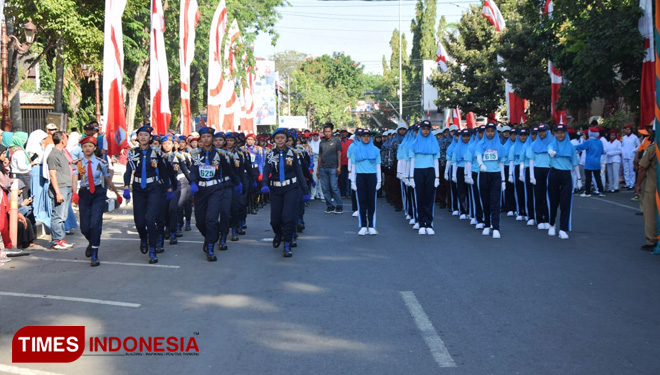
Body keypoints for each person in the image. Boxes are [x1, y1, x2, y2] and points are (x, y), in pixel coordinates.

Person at [123, 125, 172, 264]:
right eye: (140, 135)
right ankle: (143, 238)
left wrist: (167, 188)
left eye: (146, 135)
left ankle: (152, 249)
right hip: (138, 188)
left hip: (154, 187)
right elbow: (128, 171)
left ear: (150, 138)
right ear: (137, 138)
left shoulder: (157, 152)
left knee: (151, 219)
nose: (143, 137)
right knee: (139, 221)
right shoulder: (132, 153)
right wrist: (126, 186)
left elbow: (163, 171)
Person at [189, 127, 239, 260]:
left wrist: (237, 183)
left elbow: (229, 170)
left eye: (209, 137)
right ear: (200, 139)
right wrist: (193, 182)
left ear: (212, 139)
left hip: (216, 189)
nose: (206, 139)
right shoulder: (195, 155)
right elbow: (193, 170)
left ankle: (210, 247)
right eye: (203, 137)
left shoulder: (220, 154)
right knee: (200, 222)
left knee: (211, 219)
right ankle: (211, 236)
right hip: (200, 191)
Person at [261, 128, 310, 257]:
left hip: (291, 188)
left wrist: (305, 190)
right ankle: (278, 233)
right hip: (276, 189)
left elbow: (299, 172)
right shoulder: (270, 154)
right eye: (277, 138)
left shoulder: (293, 153)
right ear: (274, 140)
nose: (280, 140)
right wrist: (264, 184)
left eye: (283, 138)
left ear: (286, 139)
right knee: (275, 220)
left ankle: (287, 245)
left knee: (288, 217)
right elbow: (266, 170)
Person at [72, 136, 121, 266]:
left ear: (94, 148)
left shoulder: (101, 163)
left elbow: (107, 180)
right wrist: (74, 193)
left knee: (95, 224)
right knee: (84, 227)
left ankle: (95, 253)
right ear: (82, 149)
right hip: (84, 193)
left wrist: (116, 193)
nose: (87, 148)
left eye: (90, 146)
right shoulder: (77, 163)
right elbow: (74, 179)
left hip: (98, 193)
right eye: (85, 146)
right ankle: (91, 241)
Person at [547, 124, 580, 239]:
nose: (560, 135)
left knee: (565, 203)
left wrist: (579, 179)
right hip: (554, 173)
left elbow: (575, 163)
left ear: (565, 133)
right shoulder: (552, 144)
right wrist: (551, 151)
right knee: (553, 201)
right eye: (558, 133)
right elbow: (549, 149)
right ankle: (551, 224)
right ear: (554, 134)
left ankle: (563, 228)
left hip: (566, 175)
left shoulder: (571, 147)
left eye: (562, 132)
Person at [409, 120, 440, 235]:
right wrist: (411, 177)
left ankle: (429, 223)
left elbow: (436, 160)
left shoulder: (434, 142)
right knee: (420, 198)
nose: (426, 131)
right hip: (418, 171)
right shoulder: (414, 143)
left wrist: (437, 177)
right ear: (420, 130)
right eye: (424, 129)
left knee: (429, 198)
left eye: (428, 129)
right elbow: (412, 160)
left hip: (430, 171)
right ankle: (421, 223)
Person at [475, 123, 506, 239]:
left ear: (495, 132)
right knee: (485, 201)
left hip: (496, 175)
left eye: (492, 131)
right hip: (484, 175)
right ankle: (487, 224)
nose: (490, 133)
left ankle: (496, 227)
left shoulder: (500, 146)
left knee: (495, 202)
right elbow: (478, 156)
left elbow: (501, 163)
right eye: (488, 131)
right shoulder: (480, 144)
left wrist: (503, 180)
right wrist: (481, 164)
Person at [46, 131, 75, 250]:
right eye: (66, 138)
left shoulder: (62, 153)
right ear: (62, 140)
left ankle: (61, 238)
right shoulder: (53, 155)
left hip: (66, 187)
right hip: (60, 188)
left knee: (63, 215)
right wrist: (57, 192)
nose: (67, 141)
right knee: (57, 216)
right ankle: (56, 241)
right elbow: (52, 175)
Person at [350, 129, 381, 235]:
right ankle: (363, 225)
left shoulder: (376, 150)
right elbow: (353, 166)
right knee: (361, 201)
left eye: (368, 136)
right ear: (361, 137)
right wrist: (352, 180)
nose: (366, 138)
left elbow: (378, 166)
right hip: (360, 176)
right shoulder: (356, 150)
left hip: (372, 176)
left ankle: (371, 225)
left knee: (371, 201)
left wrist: (379, 181)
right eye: (364, 136)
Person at [527, 123, 553, 230]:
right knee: (538, 195)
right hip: (537, 170)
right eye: (540, 132)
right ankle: (539, 219)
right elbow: (531, 160)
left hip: (549, 170)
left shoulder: (552, 143)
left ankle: (548, 218)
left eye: (543, 131)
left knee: (549, 196)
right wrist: (532, 175)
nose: (542, 133)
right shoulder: (534, 144)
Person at [637, 132, 657, 251]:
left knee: (650, 214)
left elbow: (643, 167)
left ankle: (652, 240)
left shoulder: (652, 149)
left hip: (652, 186)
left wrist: (638, 184)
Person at [317, 123, 343, 213]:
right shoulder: (321, 142)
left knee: (334, 187)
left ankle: (339, 206)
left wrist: (339, 167)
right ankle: (330, 206)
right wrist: (317, 169)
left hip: (333, 168)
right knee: (325, 188)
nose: (327, 133)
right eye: (325, 131)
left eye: (329, 131)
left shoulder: (336, 141)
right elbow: (320, 156)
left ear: (332, 132)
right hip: (323, 168)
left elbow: (339, 154)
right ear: (323, 132)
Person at [575, 127, 606, 197]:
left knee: (588, 178)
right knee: (598, 177)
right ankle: (601, 191)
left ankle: (587, 192)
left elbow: (580, 147)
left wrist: (571, 147)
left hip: (589, 162)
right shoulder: (600, 142)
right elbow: (602, 151)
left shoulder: (588, 141)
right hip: (597, 162)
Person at [451, 129, 472, 220]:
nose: (466, 138)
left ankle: (471, 210)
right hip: (460, 169)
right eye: (464, 136)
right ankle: (463, 210)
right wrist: (454, 175)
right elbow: (454, 162)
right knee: (461, 191)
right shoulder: (457, 147)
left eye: (468, 136)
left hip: (470, 170)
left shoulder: (472, 146)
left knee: (470, 191)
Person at [509, 128, 528, 221]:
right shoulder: (514, 147)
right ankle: (520, 211)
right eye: (521, 135)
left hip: (527, 168)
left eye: (525, 135)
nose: (523, 137)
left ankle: (528, 212)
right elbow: (511, 161)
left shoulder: (529, 145)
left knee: (527, 191)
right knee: (519, 191)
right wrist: (510, 175)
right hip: (517, 168)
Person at [621, 125, 639, 190]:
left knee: (632, 170)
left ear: (631, 130)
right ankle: (627, 183)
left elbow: (638, 146)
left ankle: (632, 184)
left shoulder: (634, 137)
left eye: (629, 129)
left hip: (631, 155)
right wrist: (622, 151)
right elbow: (622, 146)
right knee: (626, 170)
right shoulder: (624, 137)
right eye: (626, 129)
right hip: (625, 155)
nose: (627, 131)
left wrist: (633, 150)